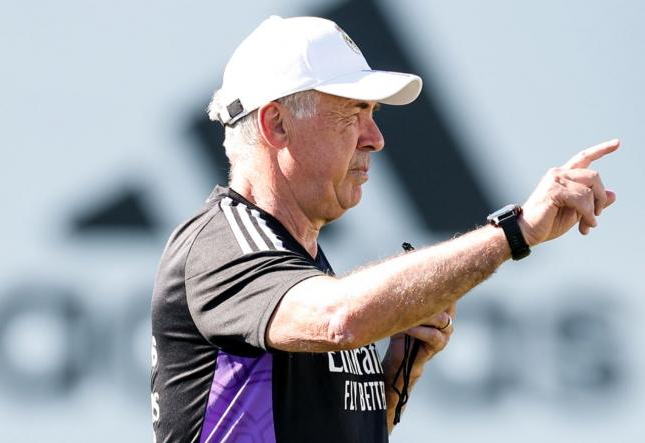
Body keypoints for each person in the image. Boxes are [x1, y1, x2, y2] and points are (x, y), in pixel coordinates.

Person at [150, 15, 618, 443]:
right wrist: (514, 233)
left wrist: (395, 381)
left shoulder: (300, 262)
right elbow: (340, 319)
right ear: (276, 124)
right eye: (353, 112)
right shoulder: (223, 241)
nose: (375, 138)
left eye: (373, 114)